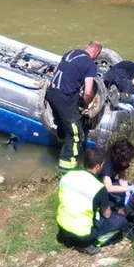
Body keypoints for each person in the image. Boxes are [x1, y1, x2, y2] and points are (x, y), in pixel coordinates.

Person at [56, 148, 128, 255]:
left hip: (62, 227)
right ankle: (89, 244)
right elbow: (107, 214)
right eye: (103, 164)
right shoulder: (99, 188)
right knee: (120, 220)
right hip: (82, 234)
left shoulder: (66, 176)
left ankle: (69, 238)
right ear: (97, 166)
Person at [46, 41, 102, 172]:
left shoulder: (71, 53)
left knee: (62, 122)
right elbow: (88, 92)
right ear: (97, 53)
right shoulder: (90, 64)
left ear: (87, 47)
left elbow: (56, 71)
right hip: (65, 99)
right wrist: (85, 104)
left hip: (51, 93)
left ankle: (58, 145)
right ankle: (66, 169)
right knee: (76, 135)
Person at [98, 139, 134, 205]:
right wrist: (127, 188)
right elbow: (108, 188)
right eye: (127, 160)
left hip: (110, 181)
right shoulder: (107, 162)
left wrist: (128, 192)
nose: (128, 162)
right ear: (121, 157)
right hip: (100, 184)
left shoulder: (121, 162)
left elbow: (122, 178)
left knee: (129, 187)